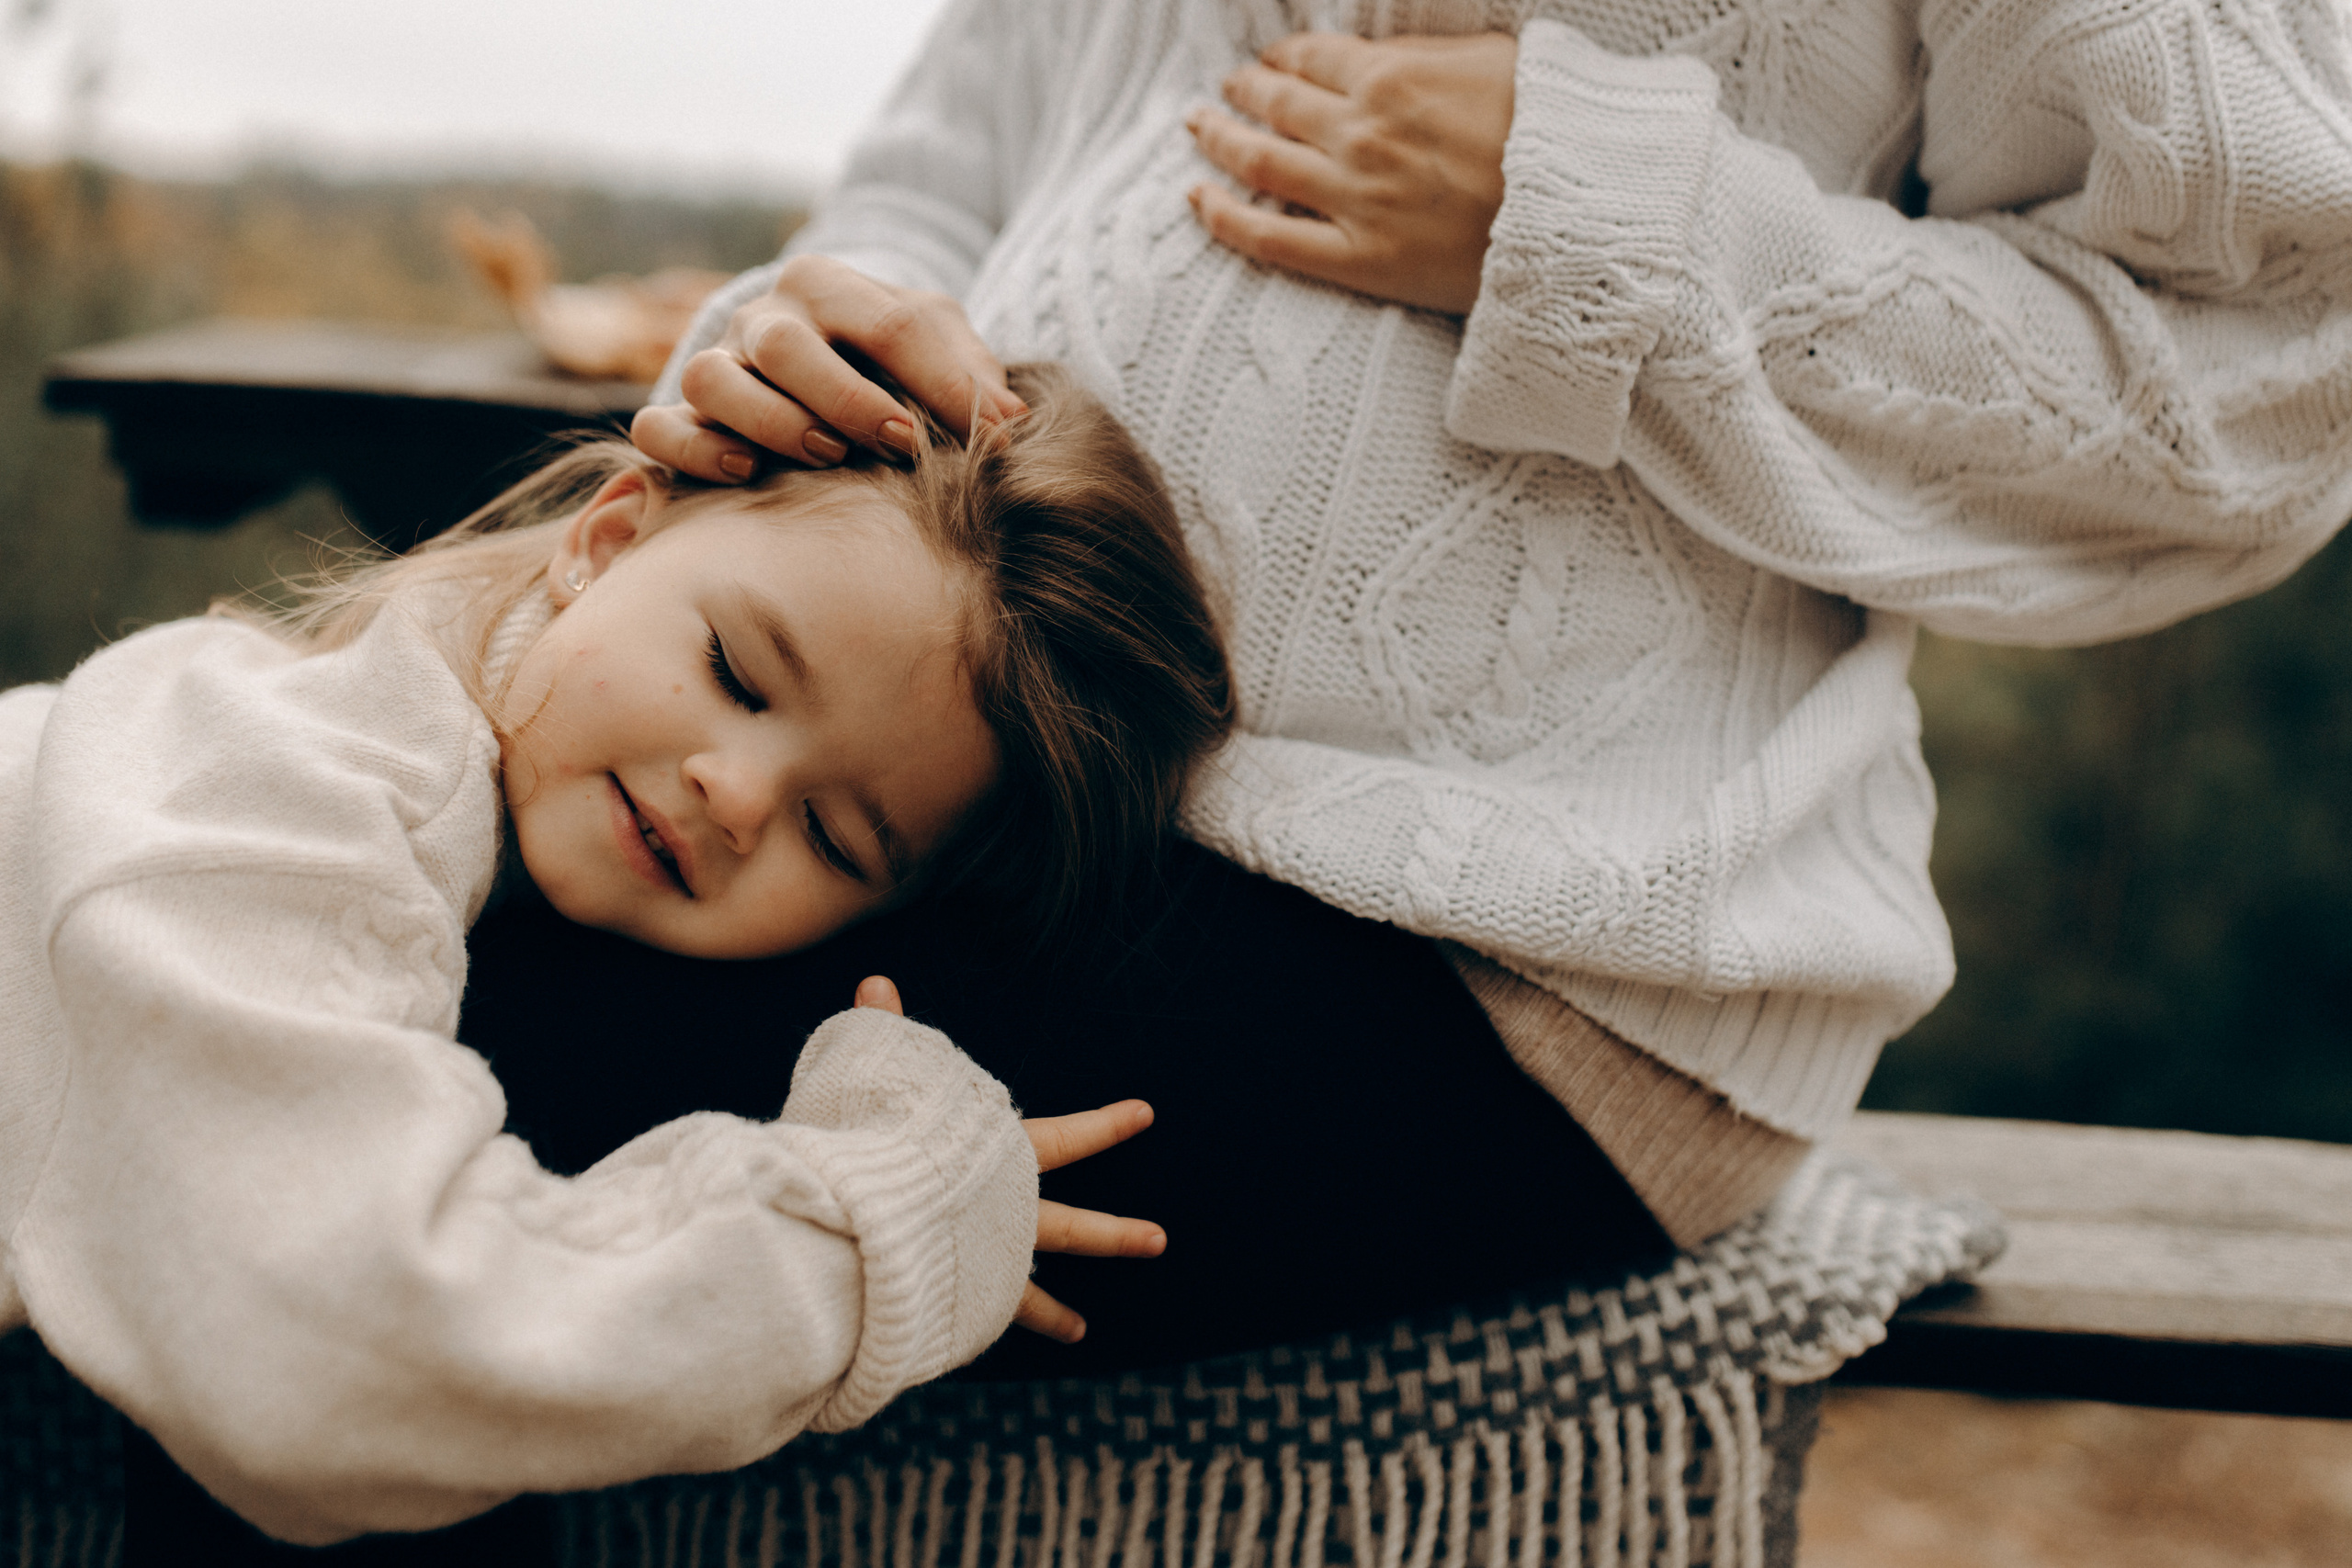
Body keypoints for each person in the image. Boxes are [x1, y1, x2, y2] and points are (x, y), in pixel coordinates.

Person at [620, 0, 2352, 1335]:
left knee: (542, 1104)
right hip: (974, 790)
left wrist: (1611, 228)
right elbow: (949, 174)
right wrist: (820, 345)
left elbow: (2266, 390)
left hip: (1521, 953)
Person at [2, 365, 1232, 1543]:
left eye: (833, 838)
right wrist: (864, 1233)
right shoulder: (294, 788)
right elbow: (330, 1354)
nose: (738, 796)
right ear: (604, 539)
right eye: (736, 674)